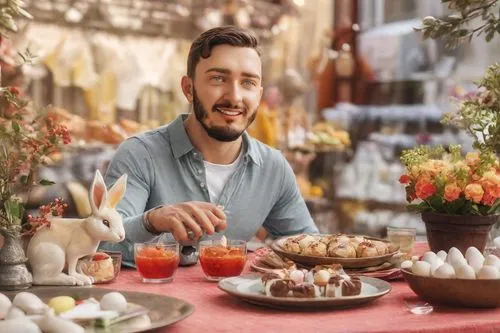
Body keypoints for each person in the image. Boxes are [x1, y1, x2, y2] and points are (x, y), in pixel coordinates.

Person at [101, 26, 318, 264]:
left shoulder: (273, 167)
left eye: (248, 83)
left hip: (236, 302)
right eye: (218, 79)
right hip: (154, 301)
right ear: (188, 89)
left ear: (259, 93)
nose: (235, 96)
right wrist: (152, 221)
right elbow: (103, 247)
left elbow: (309, 249)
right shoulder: (140, 154)